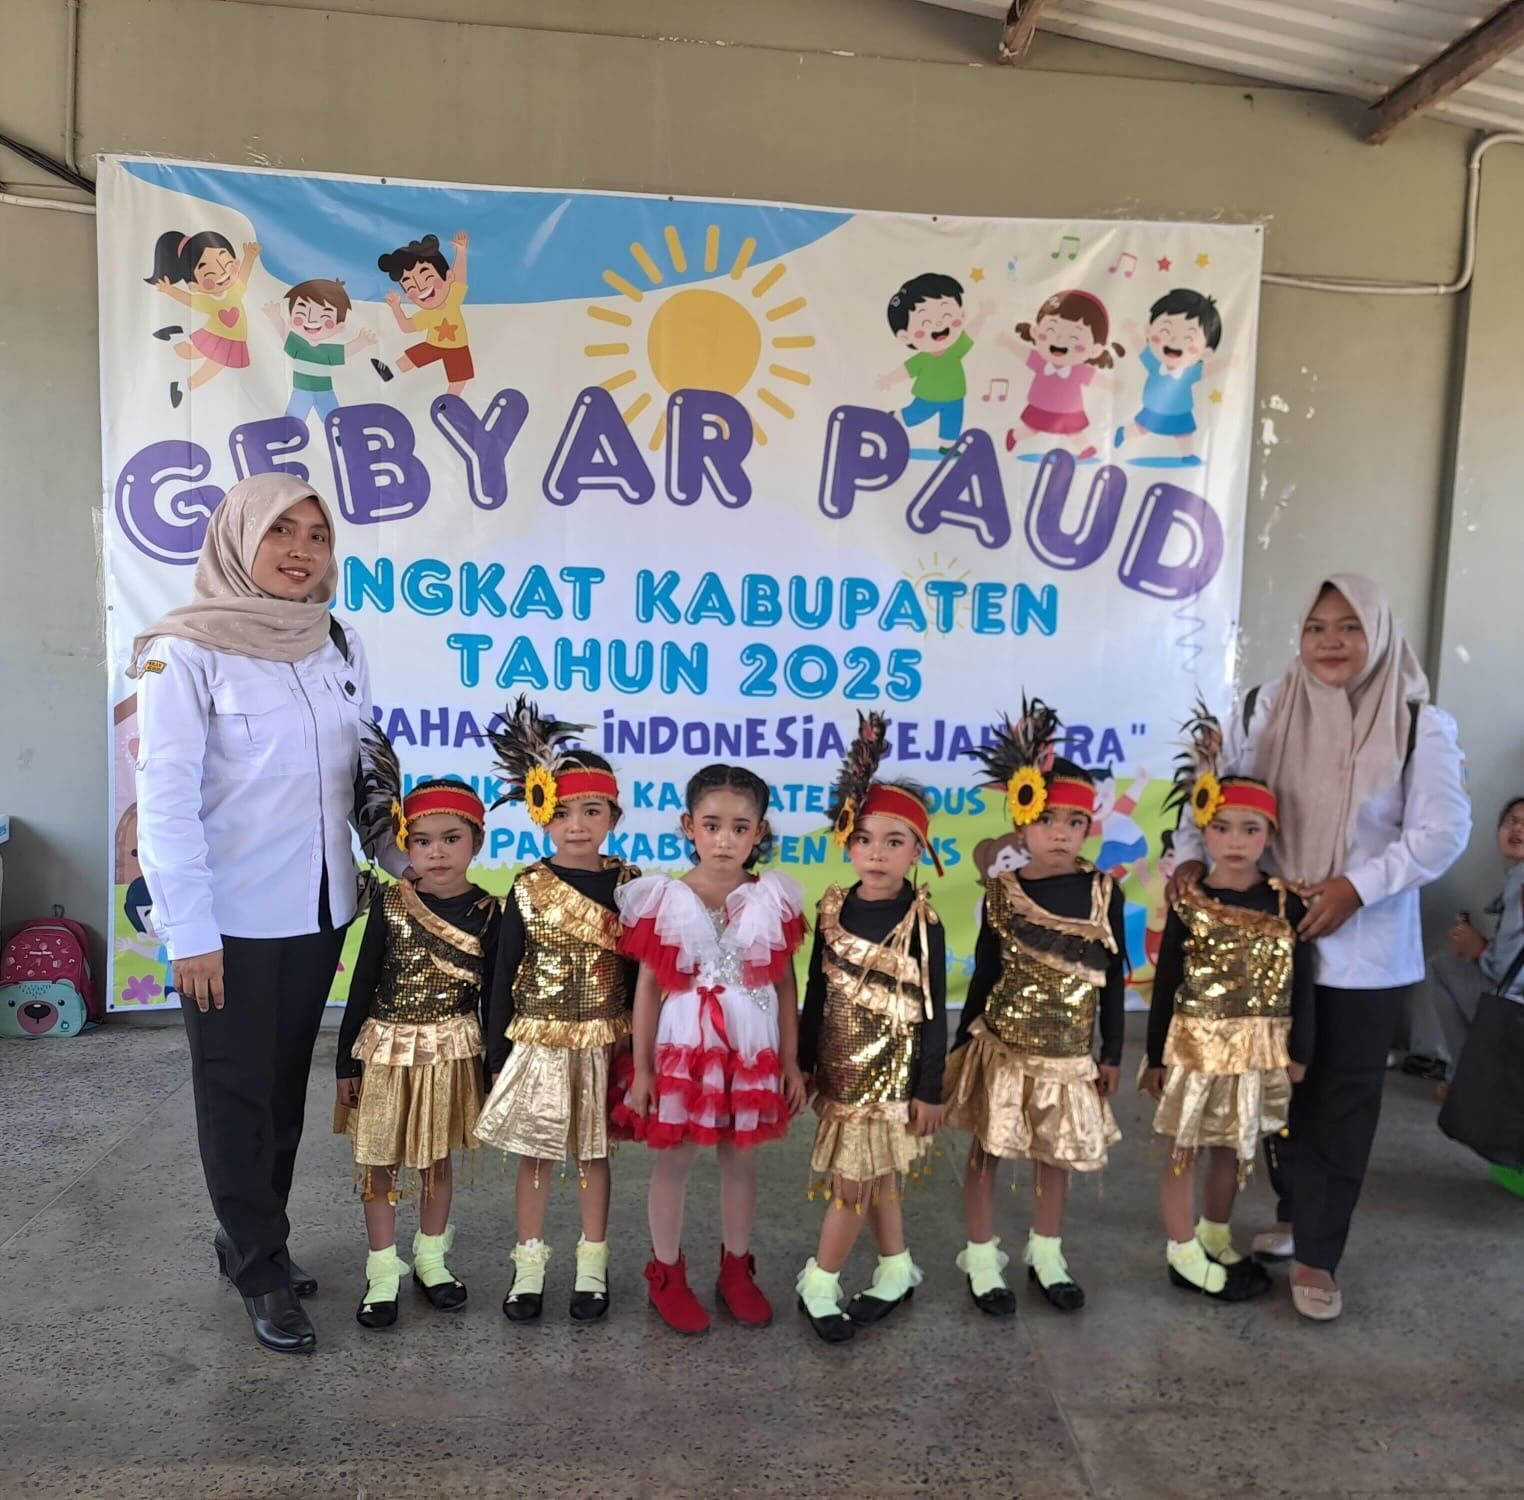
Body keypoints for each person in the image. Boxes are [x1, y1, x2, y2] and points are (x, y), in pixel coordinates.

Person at [132, 472, 400, 1353]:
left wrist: (406, 863)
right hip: (230, 919)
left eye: (316, 535)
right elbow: (165, 802)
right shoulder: (184, 651)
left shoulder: (337, 641)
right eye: (280, 530)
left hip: (320, 908)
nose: (300, 550)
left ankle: (255, 1237)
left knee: (284, 1086)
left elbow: (363, 773)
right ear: (237, 539)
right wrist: (190, 934)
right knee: (234, 1091)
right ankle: (257, 1268)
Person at [1169, 575, 1470, 1321]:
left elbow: (1441, 832)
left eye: (1348, 627)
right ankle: (1296, 1211)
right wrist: (1188, 858)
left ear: (1379, 634)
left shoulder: (1418, 722)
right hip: (1263, 943)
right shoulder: (1266, 706)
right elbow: (1213, 794)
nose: (1330, 642)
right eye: (1315, 627)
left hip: (1364, 951)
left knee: (1342, 1098)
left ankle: (1318, 1253)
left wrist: (1356, 888)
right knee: (1277, 1090)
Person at [943, 700, 1127, 1316]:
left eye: (1074, 822)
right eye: (1046, 819)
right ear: (1022, 822)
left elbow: (1114, 978)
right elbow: (985, 970)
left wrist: (1112, 1052)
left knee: (1056, 1154)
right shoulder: (1003, 892)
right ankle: (981, 1255)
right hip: (1002, 1048)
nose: (1060, 833)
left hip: (1070, 1056)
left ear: (1088, 828)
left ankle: (1047, 1254)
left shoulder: (1103, 891)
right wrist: (961, 1048)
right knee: (987, 1150)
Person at [613, 764, 808, 1335]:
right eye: (712, 825)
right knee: (675, 1156)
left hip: (750, 1047)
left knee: (740, 1156)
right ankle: (666, 1272)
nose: (725, 840)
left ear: (759, 832)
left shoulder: (770, 897)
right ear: (688, 826)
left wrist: (790, 1062)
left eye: (740, 828)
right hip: (684, 1047)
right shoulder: (667, 897)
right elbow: (648, 987)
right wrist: (643, 1069)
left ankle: (736, 1269)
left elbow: (785, 985)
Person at [473, 698, 639, 1323]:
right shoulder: (527, 885)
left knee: (594, 1154)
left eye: (592, 811)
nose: (577, 825)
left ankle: (592, 1265)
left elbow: (640, 975)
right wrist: (496, 1053)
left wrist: (640, 1053)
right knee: (537, 1153)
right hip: (538, 1040)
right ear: (542, 815)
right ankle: (530, 1266)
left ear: (613, 816)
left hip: (604, 1040)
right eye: (563, 812)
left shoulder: (631, 884)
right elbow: (502, 974)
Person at [1141, 704, 1314, 1302]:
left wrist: (1300, 1051)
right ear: (1203, 831)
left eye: (1250, 829)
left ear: (1270, 835)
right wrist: (1156, 1055)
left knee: (1232, 1147)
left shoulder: (1286, 903)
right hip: (1193, 1047)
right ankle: (1182, 1248)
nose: (1235, 841)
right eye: (1221, 828)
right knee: (1184, 1147)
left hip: (1257, 1050)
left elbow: (1301, 981)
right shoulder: (1190, 900)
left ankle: (1215, 1231)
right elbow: (1167, 980)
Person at [794, 714, 948, 1343]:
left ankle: (820, 1281)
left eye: (894, 841)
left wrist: (930, 1089)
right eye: (864, 838)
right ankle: (895, 1267)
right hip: (840, 1072)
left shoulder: (923, 923)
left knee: (853, 1185)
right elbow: (815, 992)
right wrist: (803, 1064)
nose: (877, 853)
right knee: (876, 1177)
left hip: (894, 1080)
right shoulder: (832, 909)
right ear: (847, 841)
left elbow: (934, 1011)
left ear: (918, 851)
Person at [334, 772, 497, 1329]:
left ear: (477, 841)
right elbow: (362, 983)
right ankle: (382, 1270)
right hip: (385, 1050)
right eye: (422, 841)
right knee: (379, 1162)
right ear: (406, 845)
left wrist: (495, 1066)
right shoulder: (391, 903)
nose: (437, 852)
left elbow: (495, 997)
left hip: (452, 1053)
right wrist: (345, 1061)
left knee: (435, 1160)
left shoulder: (490, 913)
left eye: (452, 838)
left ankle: (431, 1259)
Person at [1404, 796, 1524, 1080]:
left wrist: (1480, 951)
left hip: (1515, 1008)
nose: (1518, 829)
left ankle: (1467, 1077)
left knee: (1441, 966)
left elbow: (1509, 970)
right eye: (1513, 820)